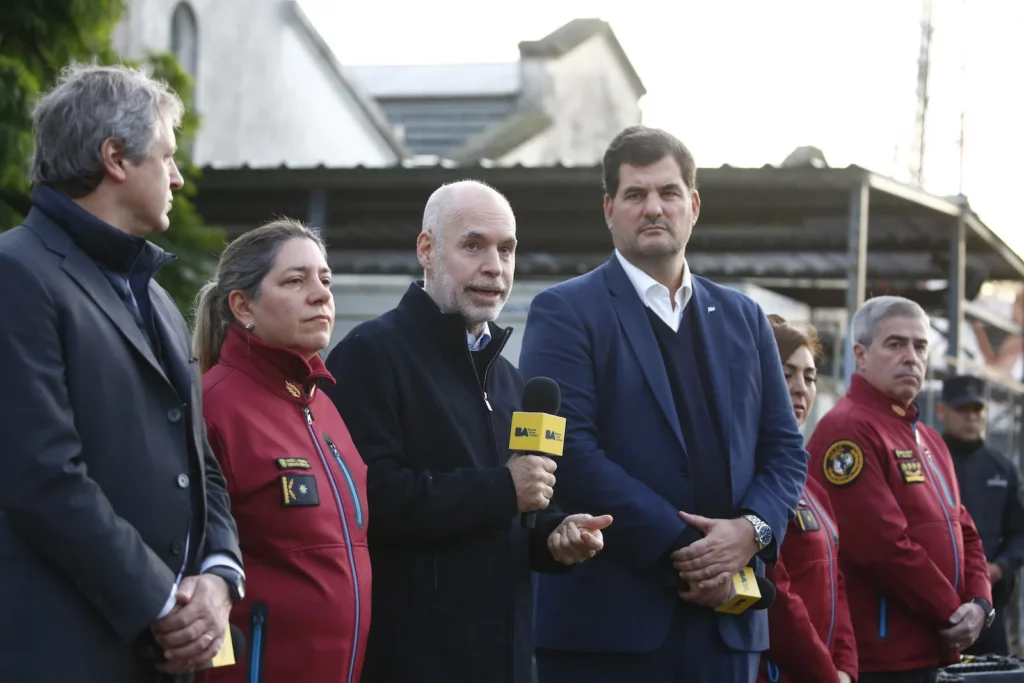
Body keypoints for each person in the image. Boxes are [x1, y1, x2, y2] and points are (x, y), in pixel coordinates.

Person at [518, 125, 809, 683]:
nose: (654, 207)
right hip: (609, 630)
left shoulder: (745, 318)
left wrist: (751, 532)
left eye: (668, 193)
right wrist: (693, 553)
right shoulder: (566, 311)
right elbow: (570, 451)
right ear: (609, 208)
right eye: (635, 194)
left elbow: (785, 450)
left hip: (727, 632)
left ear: (693, 205)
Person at [0, 64, 242, 681]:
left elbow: (199, 459)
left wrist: (217, 576)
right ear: (115, 158)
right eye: (166, 156)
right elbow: (42, 474)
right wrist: (162, 603)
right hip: (65, 652)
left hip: (167, 653)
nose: (178, 176)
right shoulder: (16, 273)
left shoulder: (155, 297)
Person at [322, 179, 612, 683]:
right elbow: (368, 501)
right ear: (427, 249)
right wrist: (504, 489)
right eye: (474, 245)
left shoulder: (512, 379)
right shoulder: (370, 355)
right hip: (413, 661)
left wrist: (556, 536)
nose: (494, 267)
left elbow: (522, 506)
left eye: (507, 249)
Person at [192, 219, 371, 683]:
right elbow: (185, 569)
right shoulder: (212, 407)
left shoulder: (326, 408)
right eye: (296, 280)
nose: (321, 294)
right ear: (243, 305)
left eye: (325, 279)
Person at [807, 296, 993, 683]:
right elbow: (882, 548)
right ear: (860, 355)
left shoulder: (928, 439)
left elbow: (967, 532)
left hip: (930, 649)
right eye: (896, 344)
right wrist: (953, 613)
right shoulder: (848, 429)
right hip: (880, 659)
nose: (911, 357)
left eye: (920, 345)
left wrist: (980, 603)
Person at [757, 316, 857, 683]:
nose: (801, 389)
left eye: (810, 376)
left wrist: (847, 665)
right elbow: (775, 596)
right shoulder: (746, 474)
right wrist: (828, 674)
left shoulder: (809, 482)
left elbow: (837, 582)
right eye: (786, 374)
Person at [939, 374, 1024, 656]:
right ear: (942, 411)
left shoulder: (1002, 469)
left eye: (977, 410)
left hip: (989, 606)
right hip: (936, 604)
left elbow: (1019, 532)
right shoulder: (925, 461)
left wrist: (1000, 566)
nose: (971, 418)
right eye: (962, 410)